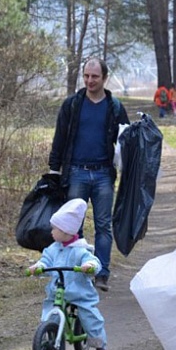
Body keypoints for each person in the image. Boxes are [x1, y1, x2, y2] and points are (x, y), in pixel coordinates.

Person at [48, 57, 130, 292]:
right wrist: (54, 169)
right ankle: (79, 272)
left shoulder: (115, 107)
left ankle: (101, 273)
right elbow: (60, 137)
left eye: (94, 76)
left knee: (104, 226)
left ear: (104, 78)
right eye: (86, 76)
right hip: (76, 172)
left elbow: (127, 140)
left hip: (104, 174)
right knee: (74, 226)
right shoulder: (72, 105)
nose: (89, 80)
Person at [27, 198, 109, 350]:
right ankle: (53, 345)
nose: (51, 232)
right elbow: (45, 261)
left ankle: (100, 346)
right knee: (50, 316)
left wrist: (89, 266)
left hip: (79, 291)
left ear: (66, 231)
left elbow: (92, 261)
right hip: (57, 291)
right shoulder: (52, 249)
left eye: (54, 229)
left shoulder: (80, 250)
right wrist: (38, 267)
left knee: (89, 316)